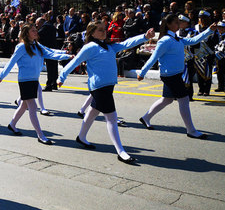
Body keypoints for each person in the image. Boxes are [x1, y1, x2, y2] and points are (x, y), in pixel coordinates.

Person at [58, 21, 155, 164]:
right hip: (99, 87)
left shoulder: (109, 46)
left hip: (108, 85)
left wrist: (145, 37)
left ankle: (81, 137)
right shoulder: (90, 47)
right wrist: (62, 77)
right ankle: (121, 151)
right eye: (100, 30)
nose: (104, 32)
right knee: (111, 117)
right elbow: (75, 61)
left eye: (104, 29)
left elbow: (127, 43)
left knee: (93, 111)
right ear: (91, 33)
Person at [137, 14, 215, 139]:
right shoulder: (165, 40)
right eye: (175, 22)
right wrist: (142, 72)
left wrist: (209, 30)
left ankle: (146, 117)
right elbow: (153, 57)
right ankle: (191, 130)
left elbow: (194, 40)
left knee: (166, 100)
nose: (178, 24)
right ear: (168, 25)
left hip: (175, 74)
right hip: (170, 76)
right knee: (184, 100)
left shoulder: (176, 38)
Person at [0, 23, 70, 144]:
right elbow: (11, 62)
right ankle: (40, 135)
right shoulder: (21, 47)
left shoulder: (37, 45)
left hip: (34, 80)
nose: (36, 32)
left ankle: (12, 124)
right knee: (33, 107)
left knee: (24, 105)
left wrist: (67, 55)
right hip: (25, 81)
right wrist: (2, 76)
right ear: (26, 34)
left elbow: (51, 53)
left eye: (35, 30)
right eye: (33, 31)